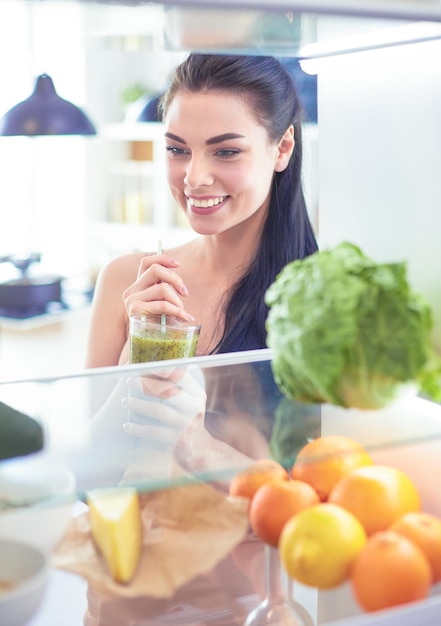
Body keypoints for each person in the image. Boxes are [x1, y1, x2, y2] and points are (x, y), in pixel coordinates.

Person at [85, 53, 318, 368]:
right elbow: (93, 419)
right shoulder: (126, 281)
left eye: (226, 151)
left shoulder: (323, 297)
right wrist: (133, 362)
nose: (193, 178)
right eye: (177, 149)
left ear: (283, 148)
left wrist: (199, 421)